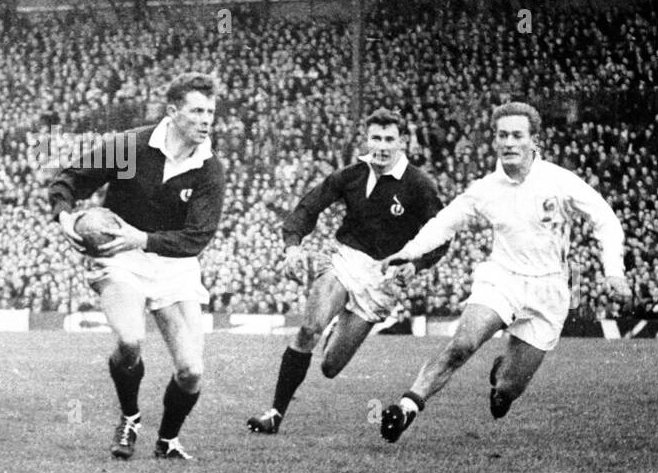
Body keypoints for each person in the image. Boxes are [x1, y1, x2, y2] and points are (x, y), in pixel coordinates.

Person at [376, 101, 631, 442]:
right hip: (502, 279)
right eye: (502, 135)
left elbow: (606, 219)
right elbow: (444, 224)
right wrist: (408, 253)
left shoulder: (560, 181)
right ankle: (407, 406)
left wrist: (613, 270)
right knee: (463, 344)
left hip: (549, 292)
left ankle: (502, 381)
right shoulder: (485, 189)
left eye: (517, 135)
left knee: (508, 389)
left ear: (534, 140)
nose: (509, 142)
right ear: (494, 141)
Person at [49, 71, 225, 460]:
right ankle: (130, 417)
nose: (206, 120)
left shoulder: (209, 167)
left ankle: (167, 441)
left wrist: (142, 238)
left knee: (192, 372)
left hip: (174, 262)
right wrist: (65, 217)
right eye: (197, 111)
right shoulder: (132, 147)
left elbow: (197, 237)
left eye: (211, 112)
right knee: (130, 341)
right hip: (121, 257)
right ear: (173, 111)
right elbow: (70, 179)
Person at [246, 108, 446, 434]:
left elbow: (442, 235)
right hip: (345, 259)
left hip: (384, 279)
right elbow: (310, 205)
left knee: (330, 366)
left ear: (402, 142)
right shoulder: (352, 175)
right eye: (375, 138)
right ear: (367, 139)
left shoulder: (419, 185)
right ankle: (274, 414)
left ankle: (334, 325)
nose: (381, 146)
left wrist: (417, 264)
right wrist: (293, 244)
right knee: (309, 328)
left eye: (388, 139)